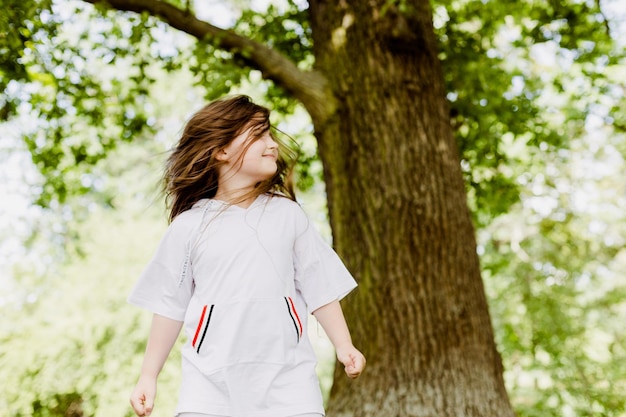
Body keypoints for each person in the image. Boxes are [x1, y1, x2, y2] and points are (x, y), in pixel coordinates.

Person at [128, 95, 366, 417]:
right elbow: (169, 304)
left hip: (290, 385)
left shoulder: (288, 215)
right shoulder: (188, 227)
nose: (272, 145)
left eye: (270, 134)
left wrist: (344, 345)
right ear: (222, 151)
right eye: (258, 135)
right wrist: (148, 376)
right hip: (210, 388)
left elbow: (318, 283)